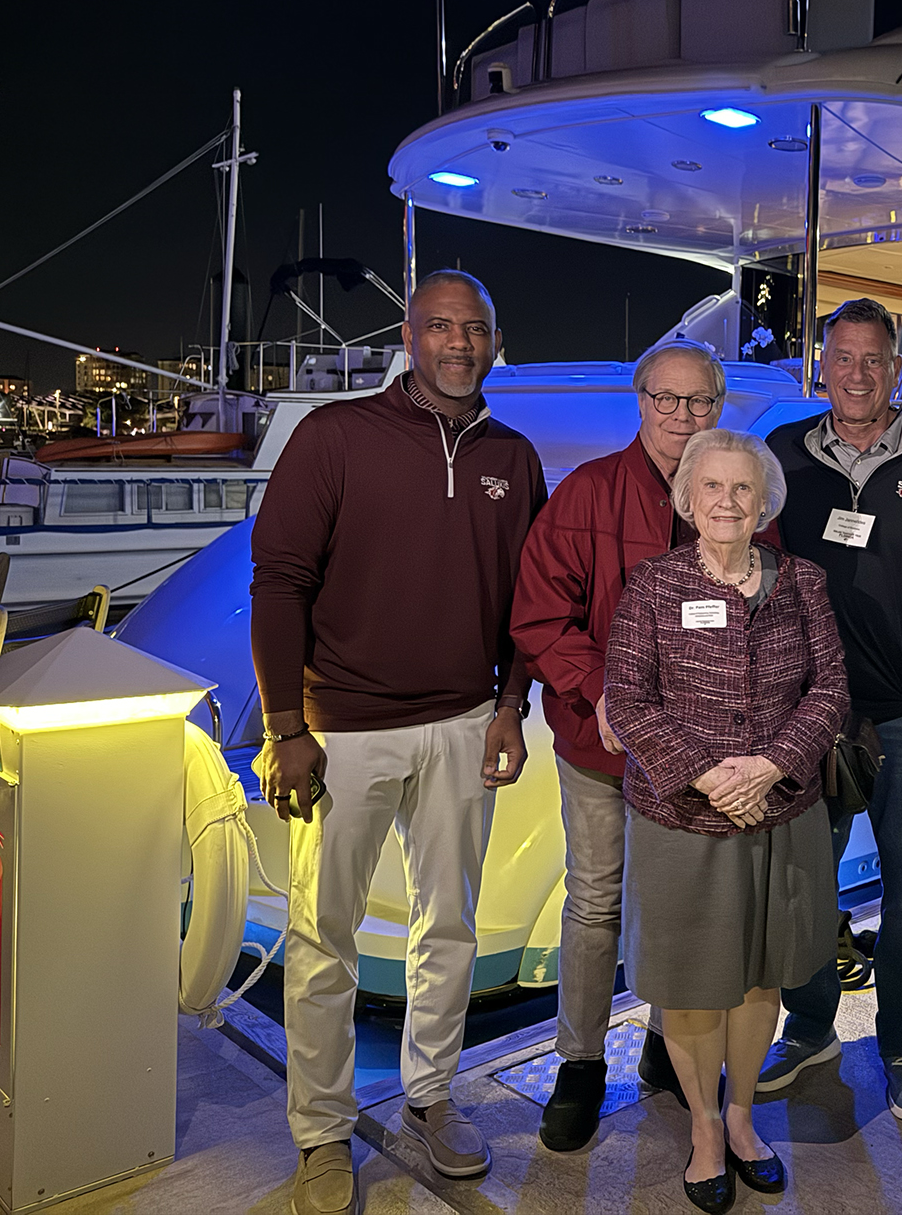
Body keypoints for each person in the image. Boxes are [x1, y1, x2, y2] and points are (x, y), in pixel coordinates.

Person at [251, 271, 546, 1215]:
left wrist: (512, 704)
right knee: (323, 937)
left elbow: (525, 604)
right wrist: (285, 726)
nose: (461, 344)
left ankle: (428, 1097)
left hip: (465, 725)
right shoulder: (335, 437)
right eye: (443, 327)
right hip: (343, 730)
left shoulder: (515, 455)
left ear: (496, 342)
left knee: (448, 928)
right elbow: (279, 583)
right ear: (411, 336)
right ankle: (321, 1135)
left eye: (478, 329)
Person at [605, 429, 848, 1212]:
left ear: (764, 501)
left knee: (757, 982)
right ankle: (705, 1129)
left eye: (743, 489)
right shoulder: (650, 585)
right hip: (683, 820)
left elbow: (831, 691)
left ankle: (742, 1119)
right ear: (688, 496)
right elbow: (630, 701)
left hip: (782, 815)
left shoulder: (803, 582)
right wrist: (709, 777)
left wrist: (773, 766)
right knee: (689, 990)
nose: (727, 502)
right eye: (711, 487)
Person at [509, 339, 731, 1150]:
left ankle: (667, 1047)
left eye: (699, 402)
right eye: (666, 400)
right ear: (640, 402)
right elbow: (538, 614)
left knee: (679, 909)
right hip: (600, 753)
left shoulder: (731, 494)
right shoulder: (588, 494)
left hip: (697, 759)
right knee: (597, 902)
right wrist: (603, 692)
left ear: (720, 407)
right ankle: (579, 1063)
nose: (682, 417)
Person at [760, 299, 902, 1120]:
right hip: (809, 717)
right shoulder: (786, 455)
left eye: (873, 360)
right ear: (824, 364)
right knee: (806, 883)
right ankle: (809, 1024)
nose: (856, 374)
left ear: (900, 370)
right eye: (842, 358)